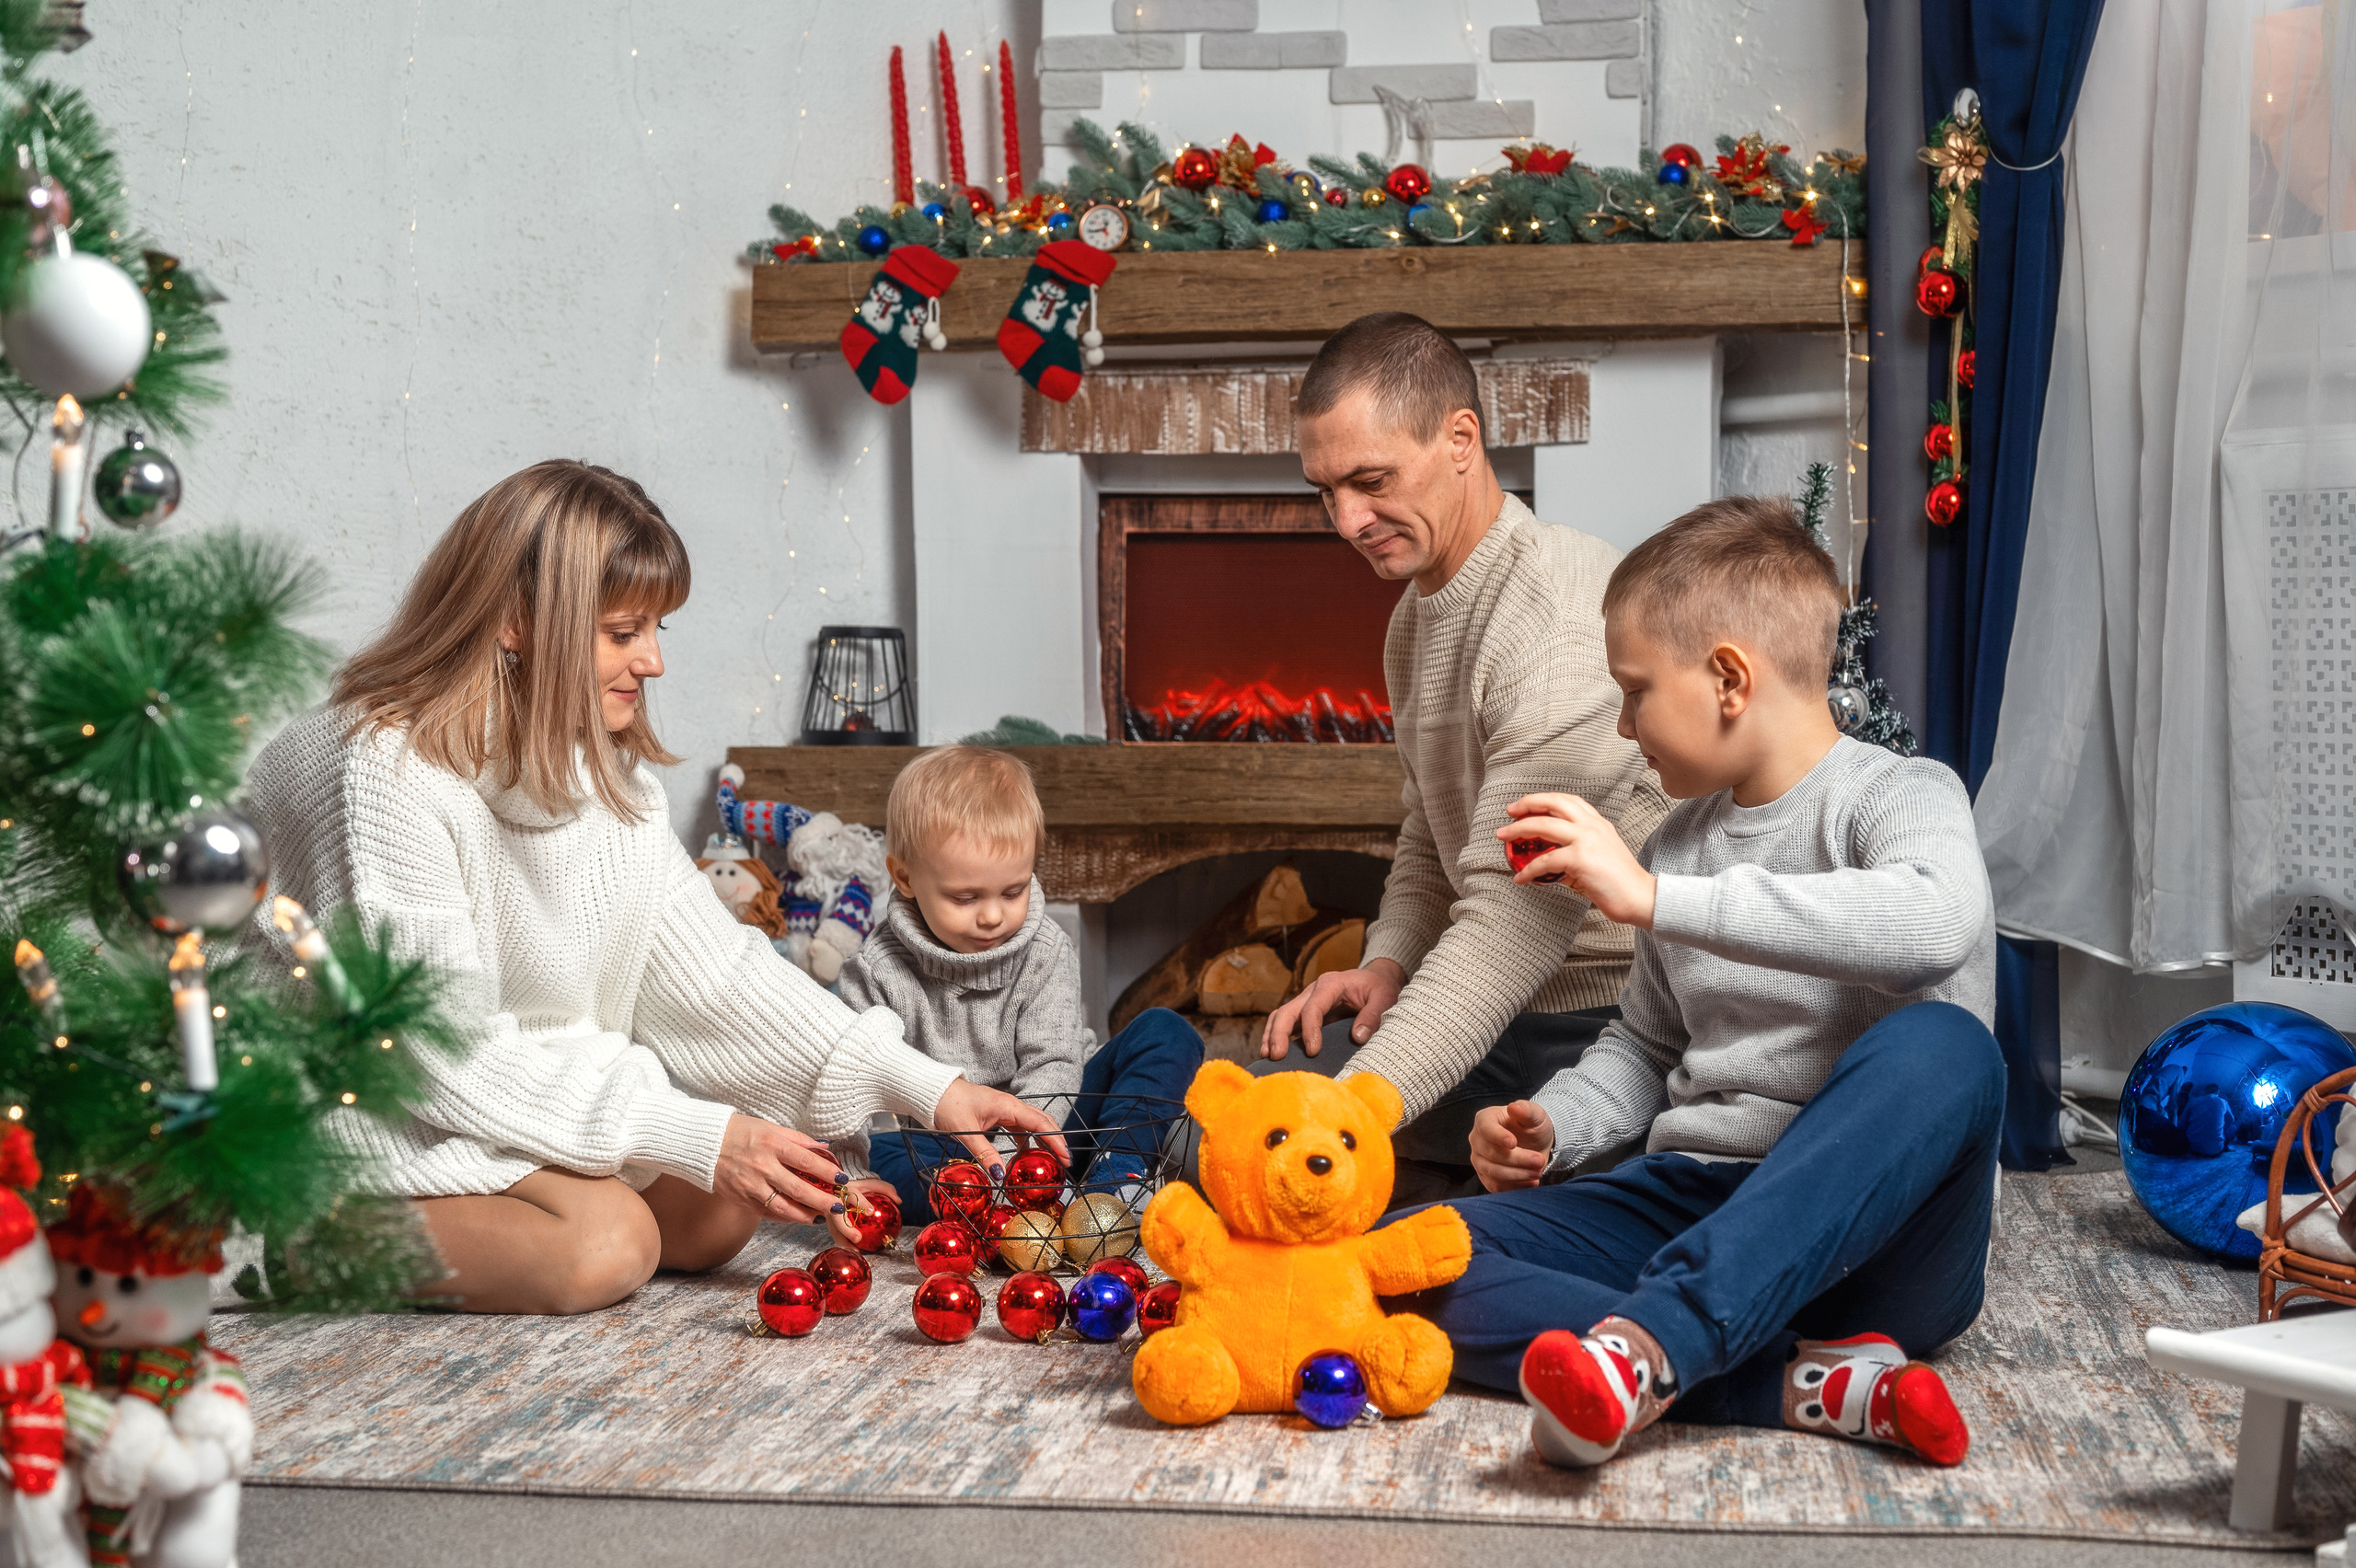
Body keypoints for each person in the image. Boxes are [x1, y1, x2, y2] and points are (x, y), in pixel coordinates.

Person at [245, 459, 1061, 1315]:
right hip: (361, 1115)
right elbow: (435, 1050)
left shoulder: (607, 781)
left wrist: (928, 1087)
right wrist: (699, 1133)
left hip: (509, 1093)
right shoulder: (382, 769)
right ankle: (303, 1240)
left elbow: (718, 977)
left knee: (719, 1213)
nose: (655, 661)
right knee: (608, 1244)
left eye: (655, 628)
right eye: (623, 631)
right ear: (517, 621)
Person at [1396, 497, 1998, 1470]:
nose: (1622, 724)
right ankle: (1805, 1382)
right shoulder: (1679, 843)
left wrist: (1656, 900)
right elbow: (1646, 1048)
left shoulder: (1900, 795)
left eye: (1634, 691)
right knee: (1408, 1257)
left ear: (1728, 679)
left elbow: (1935, 925)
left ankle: (1653, 1343)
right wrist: (1554, 1126)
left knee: (1946, 1046)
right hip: (1693, 1202)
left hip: (1881, 1244)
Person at [1258, 312, 1669, 1202]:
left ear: (1460, 439)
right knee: (1226, 1128)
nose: (1347, 521)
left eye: (1370, 482)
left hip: (1605, 1028)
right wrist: (1386, 964)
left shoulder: (1559, 628)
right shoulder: (1417, 615)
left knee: (1295, 1168)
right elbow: (1431, 829)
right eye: (1326, 491)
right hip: (1489, 1011)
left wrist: (1348, 1118)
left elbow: (1511, 927)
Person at [835, 745, 1202, 1224]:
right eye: (965, 898)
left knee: (1166, 1032)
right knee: (882, 1157)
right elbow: (845, 1080)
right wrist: (850, 1173)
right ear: (905, 877)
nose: (993, 916)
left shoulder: (1046, 949)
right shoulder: (875, 970)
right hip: (949, 1148)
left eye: (1014, 891)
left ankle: (1111, 1186)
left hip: (1056, 1126)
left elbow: (1053, 1064)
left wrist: (1018, 1164)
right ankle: (997, 1204)